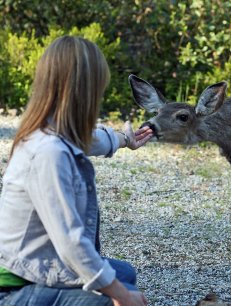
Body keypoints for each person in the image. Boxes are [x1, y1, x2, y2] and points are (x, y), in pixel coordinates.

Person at [0, 36, 153, 306]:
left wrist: (124, 139)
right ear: (83, 92)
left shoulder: (49, 129)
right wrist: (121, 295)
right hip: (16, 285)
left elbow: (91, 139)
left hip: (37, 265)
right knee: (112, 297)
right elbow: (71, 243)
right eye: (99, 90)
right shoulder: (48, 152)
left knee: (125, 273)